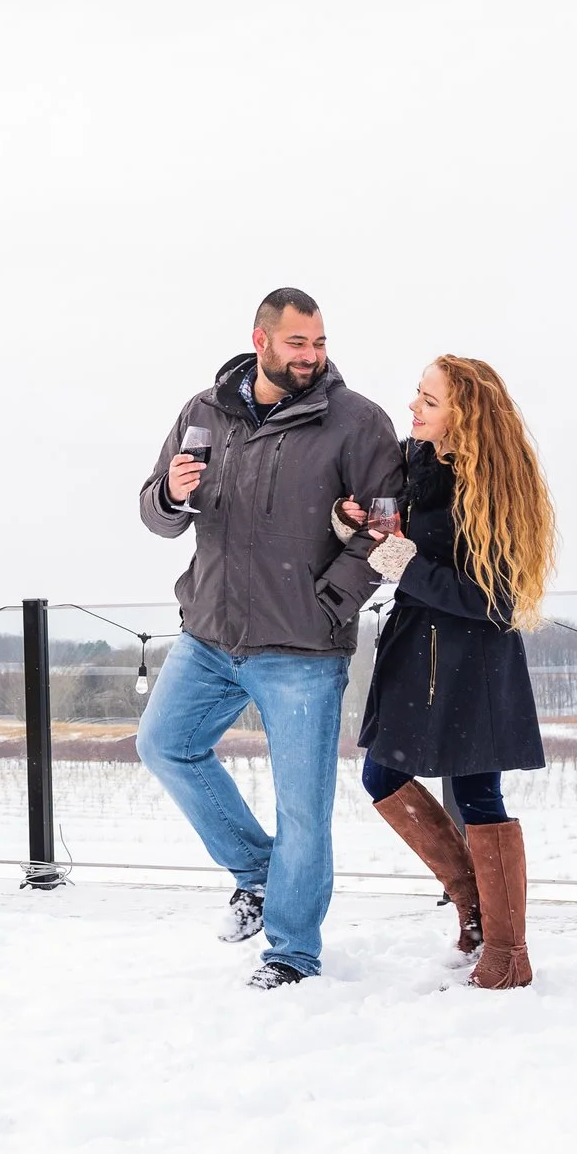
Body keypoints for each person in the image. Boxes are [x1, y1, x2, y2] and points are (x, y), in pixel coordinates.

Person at [135, 288, 404, 990]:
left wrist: (330, 604)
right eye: (297, 344)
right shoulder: (204, 411)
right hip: (209, 634)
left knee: (303, 808)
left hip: (303, 650)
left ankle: (292, 950)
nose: (313, 356)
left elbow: (391, 540)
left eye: (318, 343)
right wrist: (169, 492)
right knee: (163, 744)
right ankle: (257, 872)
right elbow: (156, 513)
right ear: (261, 340)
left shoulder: (359, 423)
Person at [343, 354, 557, 990]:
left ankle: (508, 952)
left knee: (477, 794)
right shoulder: (419, 463)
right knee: (381, 775)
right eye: (418, 394)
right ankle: (474, 910)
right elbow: (403, 537)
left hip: (471, 664)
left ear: (466, 414)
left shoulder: (494, 486)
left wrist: (402, 562)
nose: (413, 407)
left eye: (429, 401)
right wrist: (361, 526)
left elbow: (497, 599)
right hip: (415, 650)